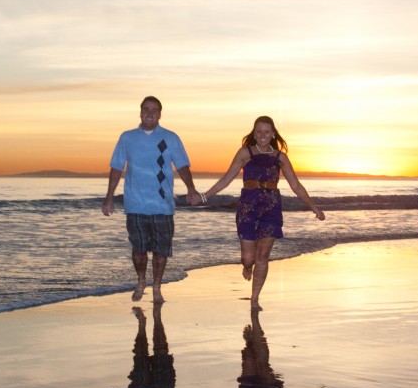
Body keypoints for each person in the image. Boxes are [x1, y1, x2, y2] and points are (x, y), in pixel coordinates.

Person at [199, 115, 324, 310]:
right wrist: (204, 197)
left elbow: (296, 185)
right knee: (248, 258)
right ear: (254, 133)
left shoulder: (280, 157)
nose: (263, 135)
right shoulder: (244, 153)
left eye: (267, 131)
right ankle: (247, 266)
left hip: (271, 207)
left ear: (273, 133)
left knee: (263, 255)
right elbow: (226, 179)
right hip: (248, 207)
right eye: (259, 131)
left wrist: (313, 207)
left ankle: (255, 298)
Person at [103, 96, 201, 303]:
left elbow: (182, 165)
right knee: (138, 250)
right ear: (140, 112)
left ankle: (157, 286)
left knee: (160, 251)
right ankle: (141, 281)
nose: (149, 113)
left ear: (160, 114)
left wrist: (191, 189)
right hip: (135, 204)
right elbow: (116, 168)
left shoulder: (171, 138)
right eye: (146, 109)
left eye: (154, 110)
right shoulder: (126, 138)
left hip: (163, 205)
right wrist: (109, 198)